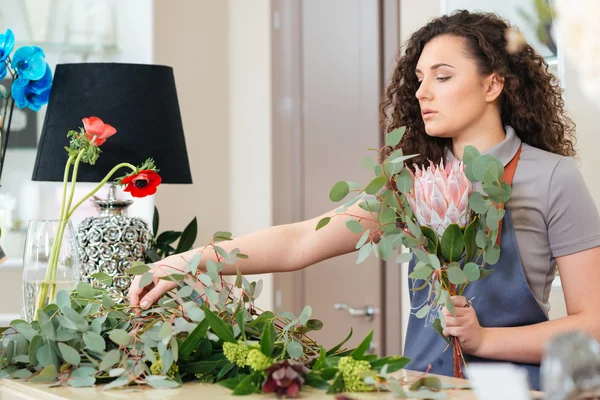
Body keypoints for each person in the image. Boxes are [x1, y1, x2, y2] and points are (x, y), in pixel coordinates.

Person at [129, 10, 600, 390]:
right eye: (418, 78)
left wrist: (485, 339)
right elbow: (298, 243)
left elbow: (593, 326)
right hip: (419, 386)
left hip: (516, 393)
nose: (421, 92)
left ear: (493, 84)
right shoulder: (413, 183)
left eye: (442, 76)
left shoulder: (553, 178)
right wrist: (186, 263)